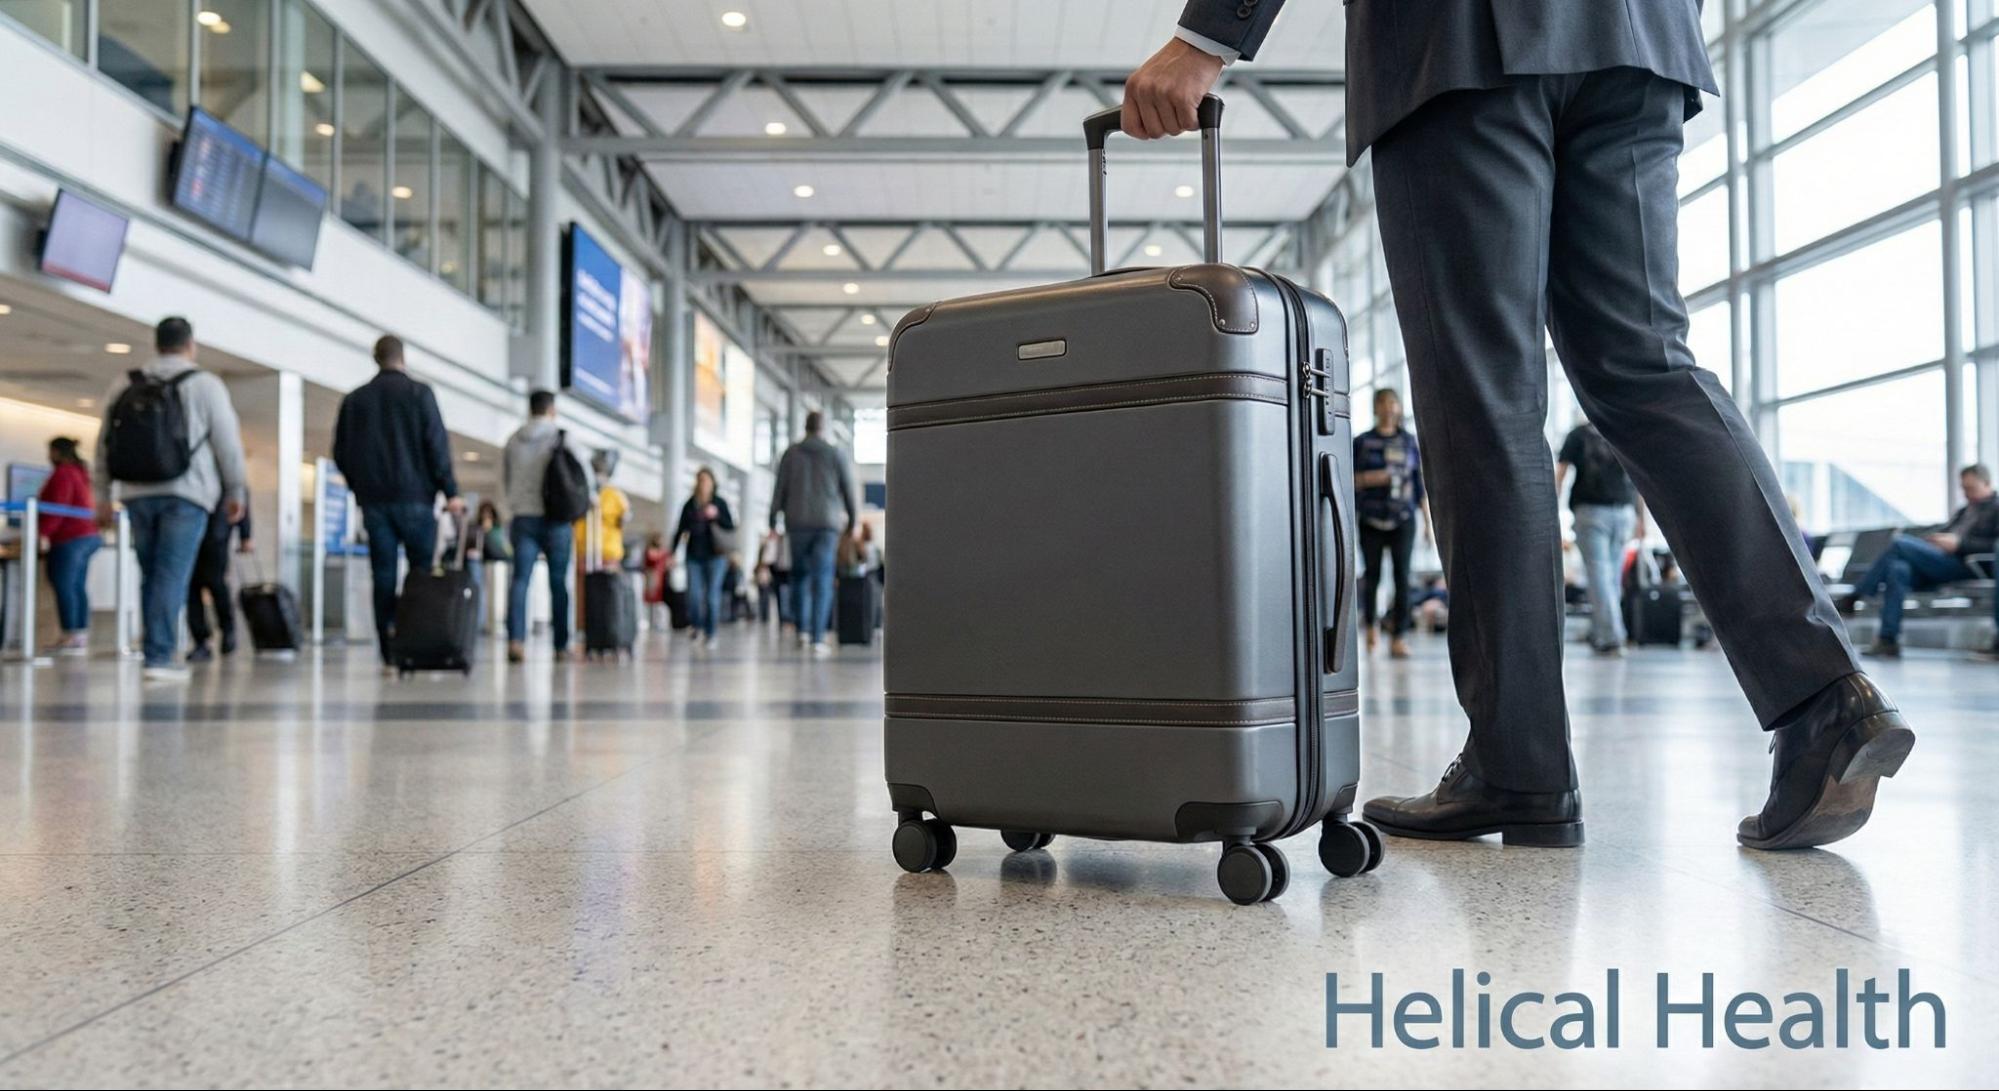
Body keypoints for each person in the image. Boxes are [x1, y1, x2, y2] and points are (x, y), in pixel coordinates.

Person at [1124, 1, 1913, 851]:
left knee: (1483, 399)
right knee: (1646, 363)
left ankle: (1519, 758)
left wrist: (1207, 37)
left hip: (1458, 43)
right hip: (1636, 41)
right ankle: (1824, 694)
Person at [93, 316, 248, 682]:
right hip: (187, 493)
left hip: (135, 493)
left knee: (152, 574)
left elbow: (104, 444)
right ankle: (159, 657)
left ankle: (155, 649)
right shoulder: (205, 384)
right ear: (190, 345)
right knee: (171, 574)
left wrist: (101, 494)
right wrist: (235, 489)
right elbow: (227, 444)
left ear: (158, 344)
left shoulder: (125, 382)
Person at [331, 335, 463, 667]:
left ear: (375, 358)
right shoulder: (420, 394)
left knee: (384, 575)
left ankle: (387, 647)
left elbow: (341, 452)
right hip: (417, 499)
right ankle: (416, 642)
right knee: (421, 575)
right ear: (403, 358)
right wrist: (450, 492)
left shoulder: (355, 400)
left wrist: (359, 486)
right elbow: (436, 445)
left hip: (374, 503)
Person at [1843, 464, 1998, 659]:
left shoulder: (1995, 508)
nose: (1966, 493)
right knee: (1897, 569)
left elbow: (1994, 546)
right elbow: (1946, 530)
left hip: (1968, 564)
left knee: (1898, 545)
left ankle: (1856, 596)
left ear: (1986, 483)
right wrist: (1936, 540)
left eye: (1971, 488)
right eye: (1964, 488)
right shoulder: (1965, 511)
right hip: (1941, 561)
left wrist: (1960, 544)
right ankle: (1887, 639)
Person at [502, 389, 593, 663]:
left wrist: (512, 508)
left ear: (530, 409)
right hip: (556, 518)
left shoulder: (513, 440)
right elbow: (584, 475)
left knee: (520, 580)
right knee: (558, 583)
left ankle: (516, 640)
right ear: (552, 409)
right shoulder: (561, 436)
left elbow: (503, 480)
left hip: (523, 517)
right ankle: (560, 645)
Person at [768, 411, 859, 657]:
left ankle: (802, 630)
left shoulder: (791, 454)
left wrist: (772, 518)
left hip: (797, 522)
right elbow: (848, 489)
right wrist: (853, 520)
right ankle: (818, 637)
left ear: (805, 427)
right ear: (823, 428)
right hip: (826, 524)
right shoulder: (835, 453)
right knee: (822, 578)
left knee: (799, 577)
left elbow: (779, 489)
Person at [1556, 422, 1647, 656]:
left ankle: (1611, 637)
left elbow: (1561, 472)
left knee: (1600, 577)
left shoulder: (1578, 434)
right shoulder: (1622, 430)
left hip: (1591, 511)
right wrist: (1640, 517)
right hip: (1623, 511)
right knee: (1611, 578)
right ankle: (1601, 632)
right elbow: (1638, 479)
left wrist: (1550, 510)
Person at [1352, 388, 1426, 659]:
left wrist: (1429, 524)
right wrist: (1374, 478)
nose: (1388, 408)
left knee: (1402, 577)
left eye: (1393, 402)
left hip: (1403, 519)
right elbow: (1350, 480)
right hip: (1370, 518)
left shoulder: (1409, 442)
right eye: (1382, 403)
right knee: (1372, 577)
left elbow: (1419, 487)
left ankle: (1399, 636)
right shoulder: (1361, 442)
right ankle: (1370, 628)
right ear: (1375, 408)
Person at [38, 437, 99, 655]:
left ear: (55, 452)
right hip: (88, 535)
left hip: (70, 537)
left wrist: (43, 533)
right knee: (76, 586)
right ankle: (78, 635)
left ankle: (70, 635)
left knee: (64, 584)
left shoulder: (63, 473)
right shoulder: (80, 472)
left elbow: (58, 506)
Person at [673, 467, 736, 650]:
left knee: (711, 596)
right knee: (693, 595)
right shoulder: (690, 504)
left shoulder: (719, 503)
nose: (703, 484)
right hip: (693, 555)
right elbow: (680, 530)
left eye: (707, 480)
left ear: (713, 483)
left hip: (716, 556)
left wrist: (716, 515)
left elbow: (730, 526)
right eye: (700, 480)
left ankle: (711, 633)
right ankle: (697, 625)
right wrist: (673, 552)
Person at [185, 498, 252, 662]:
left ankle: (227, 628)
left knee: (216, 583)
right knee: (191, 588)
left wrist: (246, 535)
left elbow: (240, 496)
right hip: (188, 531)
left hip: (216, 532)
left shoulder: (227, 475)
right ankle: (201, 641)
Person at [642, 531, 672, 631]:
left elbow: (669, 562)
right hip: (652, 577)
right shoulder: (650, 551)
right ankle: (648, 622)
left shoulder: (663, 552)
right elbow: (651, 558)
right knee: (651, 601)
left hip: (661, 578)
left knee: (659, 603)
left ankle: (658, 623)